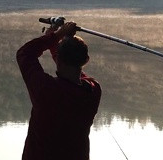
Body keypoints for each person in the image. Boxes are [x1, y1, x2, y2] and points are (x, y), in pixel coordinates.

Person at [16, 21, 102, 160]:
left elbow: (25, 53)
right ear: (86, 60)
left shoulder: (45, 89)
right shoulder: (93, 90)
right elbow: (75, 73)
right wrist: (55, 43)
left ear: (59, 59)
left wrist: (56, 36)